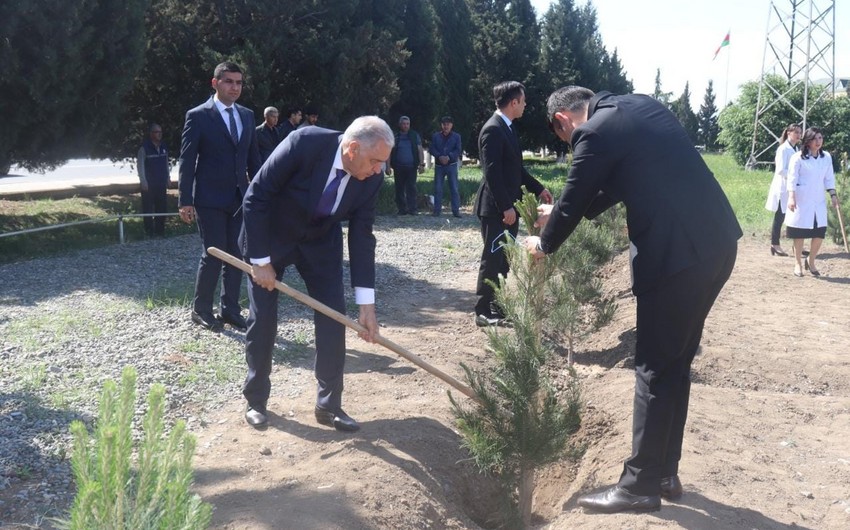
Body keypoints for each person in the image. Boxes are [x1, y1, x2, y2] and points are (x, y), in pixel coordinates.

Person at [525, 86, 742, 514]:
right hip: (716, 245)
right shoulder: (638, 107)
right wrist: (566, 211)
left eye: (563, 139)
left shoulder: (593, 132)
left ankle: (638, 486)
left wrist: (544, 244)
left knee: (652, 368)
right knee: (676, 364)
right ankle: (663, 472)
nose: (570, 144)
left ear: (563, 121)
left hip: (676, 256)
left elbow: (576, 191)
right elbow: (618, 182)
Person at [239, 116, 393, 430]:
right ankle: (256, 400)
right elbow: (257, 196)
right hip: (271, 238)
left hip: (320, 242)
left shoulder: (372, 177)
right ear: (352, 149)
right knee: (264, 319)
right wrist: (260, 261)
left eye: (383, 163)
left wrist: (367, 306)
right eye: (375, 161)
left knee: (333, 317)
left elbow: (362, 237)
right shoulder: (305, 143)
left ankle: (329, 405)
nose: (379, 169)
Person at [178, 61, 261, 333]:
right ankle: (201, 310)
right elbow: (187, 160)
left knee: (237, 254)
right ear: (215, 83)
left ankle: (230, 309)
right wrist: (185, 200)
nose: (234, 87)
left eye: (238, 82)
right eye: (228, 81)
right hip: (209, 198)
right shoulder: (199, 115)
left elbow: (253, 159)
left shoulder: (247, 115)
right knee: (214, 253)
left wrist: (259, 193)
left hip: (239, 198)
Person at [473, 81, 552, 327]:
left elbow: (515, 169)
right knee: (493, 257)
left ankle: (498, 305)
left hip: (507, 208)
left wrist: (538, 188)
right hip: (496, 209)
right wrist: (505, 207)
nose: (526, 105)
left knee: (504, 259)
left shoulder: (507, 128)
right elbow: (492, 173)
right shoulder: (493, 129)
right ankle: (483, 310)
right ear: (514, 102)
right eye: (523, 100)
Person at [785, 126, 838, 278]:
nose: (818, 141)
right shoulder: (798, 157)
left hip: (818, 201)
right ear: (807, 141)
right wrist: (791, 197)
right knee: (799, 233)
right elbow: (792, 179)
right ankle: (797, 263)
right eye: (815, 139)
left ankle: (811, 260)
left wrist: (833, 194)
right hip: (801, 200)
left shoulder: (826, 157)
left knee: (819, 233)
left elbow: (829, 178)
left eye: (820, 138)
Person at [765, 123, 802, 256]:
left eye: (800, 132)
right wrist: (794, 176)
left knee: (794, 217)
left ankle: (796, 246)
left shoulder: (796, 148)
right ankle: (775, 244)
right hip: (783, 188)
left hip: (791, 188)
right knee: (780, 216)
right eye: (796, 132)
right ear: (789, 133)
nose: (798, 135)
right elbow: (780, 169)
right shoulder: (783, 149)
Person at [136, 123, 170, 237]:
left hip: (161, 183)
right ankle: (149, 232)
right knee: (148, 208)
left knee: (162, 207)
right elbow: (140, 166)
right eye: (156, 132)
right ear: (151, 133)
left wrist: (168, 177)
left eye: (160, 132)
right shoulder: (144, 148)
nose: (159, 134)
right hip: (149, 184)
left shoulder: (163, 146)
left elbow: (166, 163)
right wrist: (143, 181)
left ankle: (160, 231)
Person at [387, 116, 424, 215]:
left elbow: (420, 150)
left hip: (411, 167)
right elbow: (389, 152)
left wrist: (422, 164)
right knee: (399, 189)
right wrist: (387, 166)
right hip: (398, 167)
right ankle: (402, 209)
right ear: (400, 124)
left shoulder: (414, 135)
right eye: (403, 123)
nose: (405, 126)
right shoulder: (395, 136)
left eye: (407, 124)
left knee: (411, 188)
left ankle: (413, 209)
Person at [429, 116, 463, 217]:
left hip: (451, 165)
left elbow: (458, 149)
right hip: (439, 166)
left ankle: (456, 211)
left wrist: (449, 156)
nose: (446, 126)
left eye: (448, 124)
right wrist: (439, 156)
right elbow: (432, 148)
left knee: (454, 188)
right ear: (441, 125)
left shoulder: (457, 136)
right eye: (444, 124)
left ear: (451, 125)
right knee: (438, 188)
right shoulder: (435, 136)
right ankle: (437, 211)